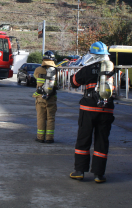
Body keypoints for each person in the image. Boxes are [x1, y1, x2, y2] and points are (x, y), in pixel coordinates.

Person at [69, 42, 115, 184]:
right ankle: (99, 175)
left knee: (84, 139)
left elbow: (74, 82)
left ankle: (79, 171)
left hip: (88, 109)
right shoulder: (112, 69)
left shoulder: (87, 69)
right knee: (102, 141)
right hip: (106, 109)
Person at [32, 51, 58, 143]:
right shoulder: (56, 70)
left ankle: (40, 137)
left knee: (41, 117)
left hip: (40, 97)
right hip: (51, 98)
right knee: (50, 118)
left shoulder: (38, 70)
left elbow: (35, 78)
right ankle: (49, 138)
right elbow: (59, 83)